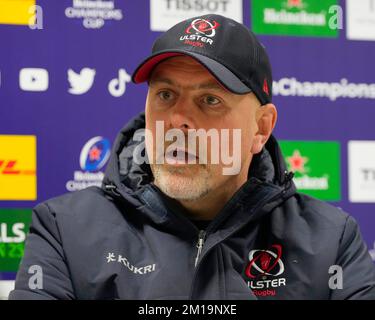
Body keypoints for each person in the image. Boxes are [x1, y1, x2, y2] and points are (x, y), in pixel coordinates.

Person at [9, 14, 375, 300]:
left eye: (210, 100)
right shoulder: (64, 229)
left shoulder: (331, 240)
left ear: (261, 128)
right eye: (165, 95)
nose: (178, 120)